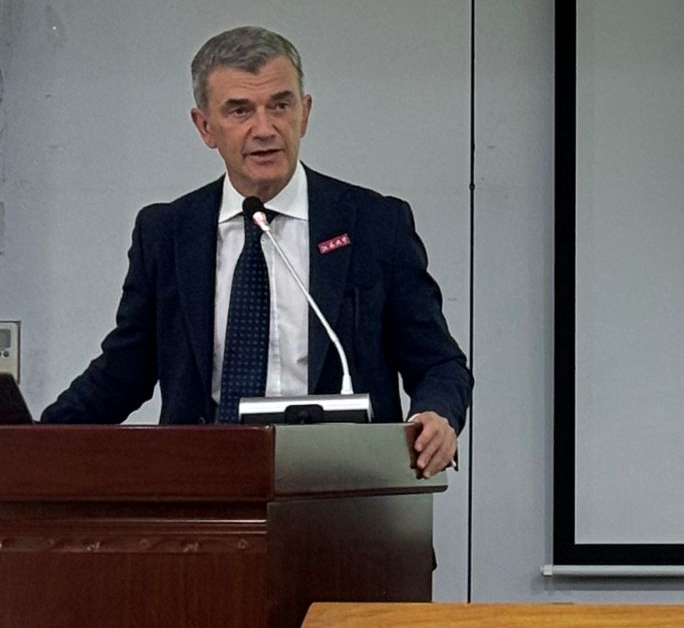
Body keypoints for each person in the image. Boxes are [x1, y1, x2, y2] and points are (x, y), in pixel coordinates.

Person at [42, 26, 471, 475]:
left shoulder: (373, 224)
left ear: (304, 113)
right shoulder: (167, 233)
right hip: (205, 484)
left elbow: (438, 363)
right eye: (240, 110)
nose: (264, 129)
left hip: (344, 484)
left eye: (280, 105)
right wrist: (31, 439)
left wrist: (436, 414)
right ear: (205, 127)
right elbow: (123, 372)